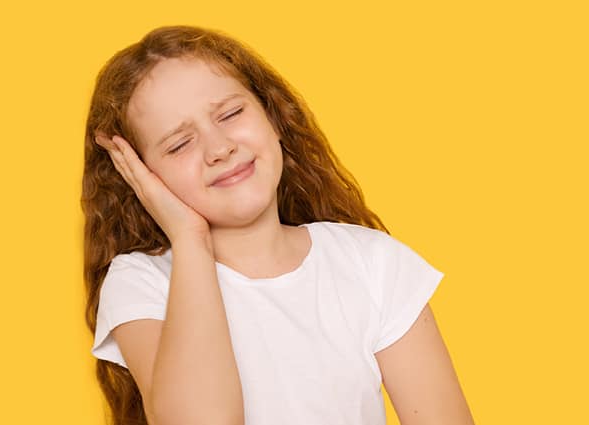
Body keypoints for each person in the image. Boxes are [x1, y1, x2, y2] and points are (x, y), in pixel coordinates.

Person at [82, 24, 474, 425]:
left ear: (272, 113)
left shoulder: (372, 264)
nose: (220, 148)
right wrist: (189, 238)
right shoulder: (141, 282)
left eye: (231, 114)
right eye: (180, 144)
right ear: (139, 176)